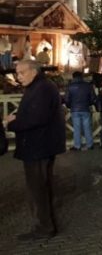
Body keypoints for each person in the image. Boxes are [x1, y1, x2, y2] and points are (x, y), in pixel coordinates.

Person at [4, 59, 65, 240]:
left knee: (38, 189)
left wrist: (11, 123)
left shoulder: (43, 88)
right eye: (17, 73)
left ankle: (44, 227)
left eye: (21, 73)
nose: (18, 77)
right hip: (37, 145)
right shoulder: (38, 87)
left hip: (39, 146)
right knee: (39, 188)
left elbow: (37, 118)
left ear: (34, 71)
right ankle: (44, 224)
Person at [65, 71, 96, 151]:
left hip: (75, 109)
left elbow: (67, 99)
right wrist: (89, 103)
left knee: (76, 128)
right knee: (87, 127)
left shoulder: (70, 86)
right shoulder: (88, 85)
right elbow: (93, 98)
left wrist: (69, 106)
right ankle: (90, 144)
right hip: (85, 108)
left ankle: (77, 145)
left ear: (73, 77)